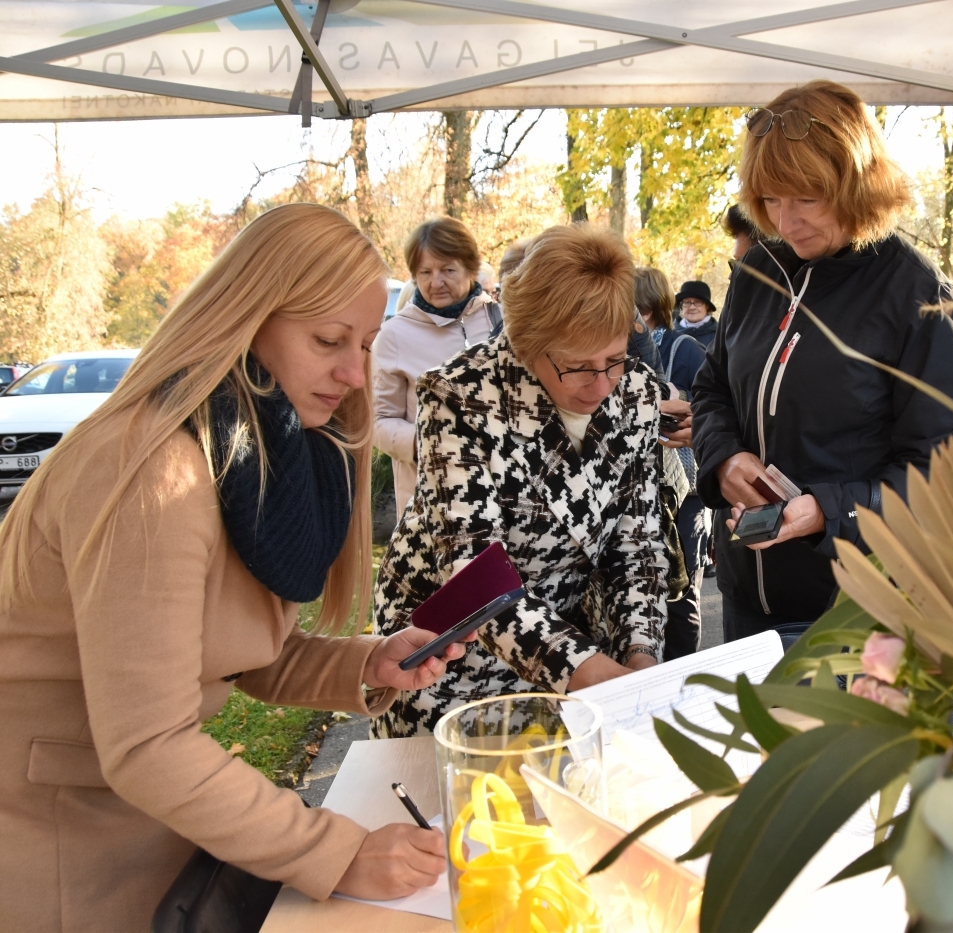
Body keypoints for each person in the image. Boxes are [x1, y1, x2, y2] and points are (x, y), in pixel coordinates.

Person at [0, 203, 469, 932]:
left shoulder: (261, 454)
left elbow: (230, 656)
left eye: (368, 343)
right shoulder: (154, 468)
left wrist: (368, 663)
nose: (354, 373)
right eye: (328, 340)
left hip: (149, 821)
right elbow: (150, 744)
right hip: (64, 844)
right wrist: (336, 850)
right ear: (248, 317)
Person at [691, 80, 953, 648]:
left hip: (858, 613)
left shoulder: (918, 294)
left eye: (805, 198)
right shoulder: (758, 270)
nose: (785, 220)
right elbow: (712, 388)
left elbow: (941, 475)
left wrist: (828, 510)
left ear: (854, 183)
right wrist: (723, 459)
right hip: (747, 601)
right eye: (770, 200)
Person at [372, 224, 667, 736]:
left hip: (572, 646)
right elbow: (471, 573)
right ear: (527, 344)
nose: (601, 385)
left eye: (614, 360)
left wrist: (641, 652)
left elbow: (636, 540)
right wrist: (593, 673)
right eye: (577, 366)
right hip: (446, 655)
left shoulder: (636, 392)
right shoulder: (460, 395)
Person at [372, 217, 503, 516]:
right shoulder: (394, 335)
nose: (436, 282)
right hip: (431, 502)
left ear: (471, 269)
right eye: (425, 272)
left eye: (448, 270)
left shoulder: (500, 321)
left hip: (503, 495)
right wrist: (428, 442)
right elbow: (378, 421)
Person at [637, 267, 708, 658]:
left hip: (683, 488)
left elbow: (712, 411)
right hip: (641, 490)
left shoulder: (686, 349)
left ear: (644, 310)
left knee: (682, 595)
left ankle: (684, 680)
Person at [674, 280, 719, 349]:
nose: (692, 307)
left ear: (707, 306)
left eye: (698, 302)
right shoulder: (670, 333)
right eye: (687, 302)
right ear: (681, 306)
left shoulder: (720, 335)